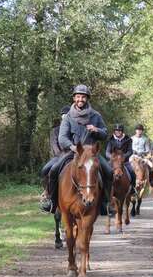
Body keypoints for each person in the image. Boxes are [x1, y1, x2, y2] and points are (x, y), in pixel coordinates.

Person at [39, 85, 113, 213]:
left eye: (83, 97)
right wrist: (73, 147)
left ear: (87, 99)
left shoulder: (95, 116)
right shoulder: (68, 117)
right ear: (74, 98)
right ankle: (52, 201)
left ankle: (105, 202)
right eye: (78, 96)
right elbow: (62, 138)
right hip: (73, 152)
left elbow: (105, 134)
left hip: (91, 154)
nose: (80, 99)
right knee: (53, 170)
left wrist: (97, 130)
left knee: (109, 172)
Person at [39, 105, 71, 205]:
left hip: (72, 154)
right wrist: (60, 153)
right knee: (45, 170)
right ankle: (47, 192)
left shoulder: (74, 128)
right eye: (63, 115)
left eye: (67, 114)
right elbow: (54, 144)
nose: (65, 116)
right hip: (59, 156)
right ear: (61, 116)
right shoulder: (55, 130)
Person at [105, 124, 136, 189]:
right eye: (116, 130)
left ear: (122, 131)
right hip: (113, 162)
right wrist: (113, 158)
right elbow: (107, 152)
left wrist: (123, 157)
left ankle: (133, 189)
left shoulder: (128, 139)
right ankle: (105, 190)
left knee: (132, 172)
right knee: (105, 172)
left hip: (125, 161)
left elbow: (130, 151)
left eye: (119, 130)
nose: (118, 132)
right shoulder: (110, 140)